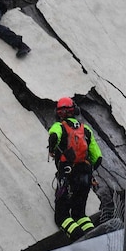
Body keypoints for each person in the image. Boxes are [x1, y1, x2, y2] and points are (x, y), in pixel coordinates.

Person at [48, 97, 103, 241]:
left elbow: (54, 136)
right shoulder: (85, 129)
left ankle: (80, 240)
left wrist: (53, 150)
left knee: (62, 217)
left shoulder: (58, 126)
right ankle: (95, 238)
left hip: (67, 175)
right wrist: (88, 170)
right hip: (85, 176)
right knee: (80, 215)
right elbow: (98, 157)